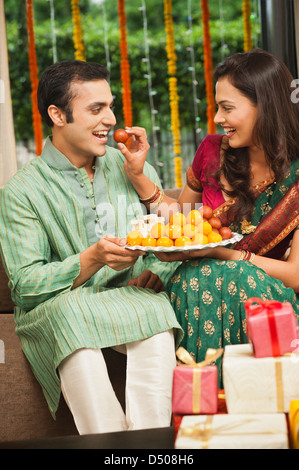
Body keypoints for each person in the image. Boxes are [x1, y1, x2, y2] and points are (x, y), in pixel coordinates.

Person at [0, 60, 184, 435]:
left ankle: (149, 446)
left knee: (156, 310)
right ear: (57, 114)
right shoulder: (22, 192)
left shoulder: (133, 165)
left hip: (132, 299)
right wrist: (92, 258)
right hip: (65, 307)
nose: (111, 120)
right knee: (70, 313)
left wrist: (157, 273)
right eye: (96, 109)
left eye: (111, 106)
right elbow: (25, 285)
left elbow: (176, 237)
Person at [121, 49, 299, 384]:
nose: (217, 118)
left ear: (267, 106)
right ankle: (202, 419)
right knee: (193, 277)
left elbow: (295, 275)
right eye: (218, 106)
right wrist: (138, 175)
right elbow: (184, 223)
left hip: (261, 295)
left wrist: (223, 253)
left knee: (229, 276)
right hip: (192, 283)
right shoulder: (212, 152)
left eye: (227, 108)